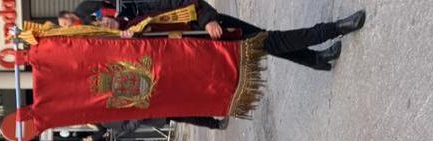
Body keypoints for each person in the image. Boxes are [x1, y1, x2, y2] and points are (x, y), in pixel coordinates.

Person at [93, 0, 367, 71]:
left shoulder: (141, 12)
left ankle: (323, 49)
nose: (107, 24)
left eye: (105, 21)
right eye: (103, 29)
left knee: (269, 40)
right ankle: (330, 36)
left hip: (217, 28)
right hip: (215, 54)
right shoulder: (133, 54)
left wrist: (209, 19)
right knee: (271, 42)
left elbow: (185, 3)